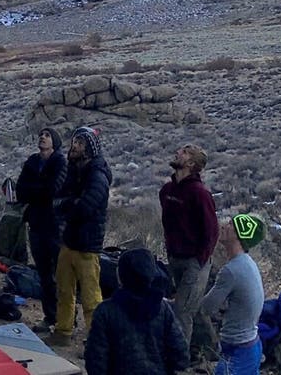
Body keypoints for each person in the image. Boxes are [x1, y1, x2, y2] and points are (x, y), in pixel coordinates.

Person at [84, 247, 189, 375]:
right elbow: (181, 357)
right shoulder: (163, 309)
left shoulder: (105, 311)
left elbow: (95, 362)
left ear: (120, 276)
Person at [50, 125, 111, 343]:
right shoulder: (74, 169)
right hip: (69, 241)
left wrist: (68, 205)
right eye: (74, 142)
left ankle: (96, 340)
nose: (74, 146)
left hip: (87, 245)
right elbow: (57, 200)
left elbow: (85, 207)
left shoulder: (98, 174)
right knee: (64, 291)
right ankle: (63, 331)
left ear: (89, 148)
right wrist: (69, 204)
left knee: (91, 297)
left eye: (80, 143)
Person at [158, 143, 219, 360]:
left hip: (195, 261)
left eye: (184, 152)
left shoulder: (199, 194)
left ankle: (178, 361)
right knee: (193, 307)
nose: (178, 152)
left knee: (183, 310)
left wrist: (200, 260)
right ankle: (210, 351)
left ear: (191, 163)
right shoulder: (167, 191)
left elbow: (211, 231)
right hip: (175, 258)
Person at [200, 214, 267, 375]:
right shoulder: (247, 263)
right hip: (250, 345)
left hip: (238, 351)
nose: (224, 226)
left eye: (230, 224)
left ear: (239, 235)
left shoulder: (231, 271)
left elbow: (206, 308)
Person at [15, 127, 68, 329]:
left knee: (60, 274)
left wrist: (33, 191)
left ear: (54, 141)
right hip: (36, 223)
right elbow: (21, 191)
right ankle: (50, 317)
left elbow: (53, 190)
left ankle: (65, 319)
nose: (42, 137)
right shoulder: (32, 162)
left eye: (47, 135)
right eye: (41, 134)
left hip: (55, 225)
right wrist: (38, 191)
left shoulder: (60, 162)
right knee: (44, 273)